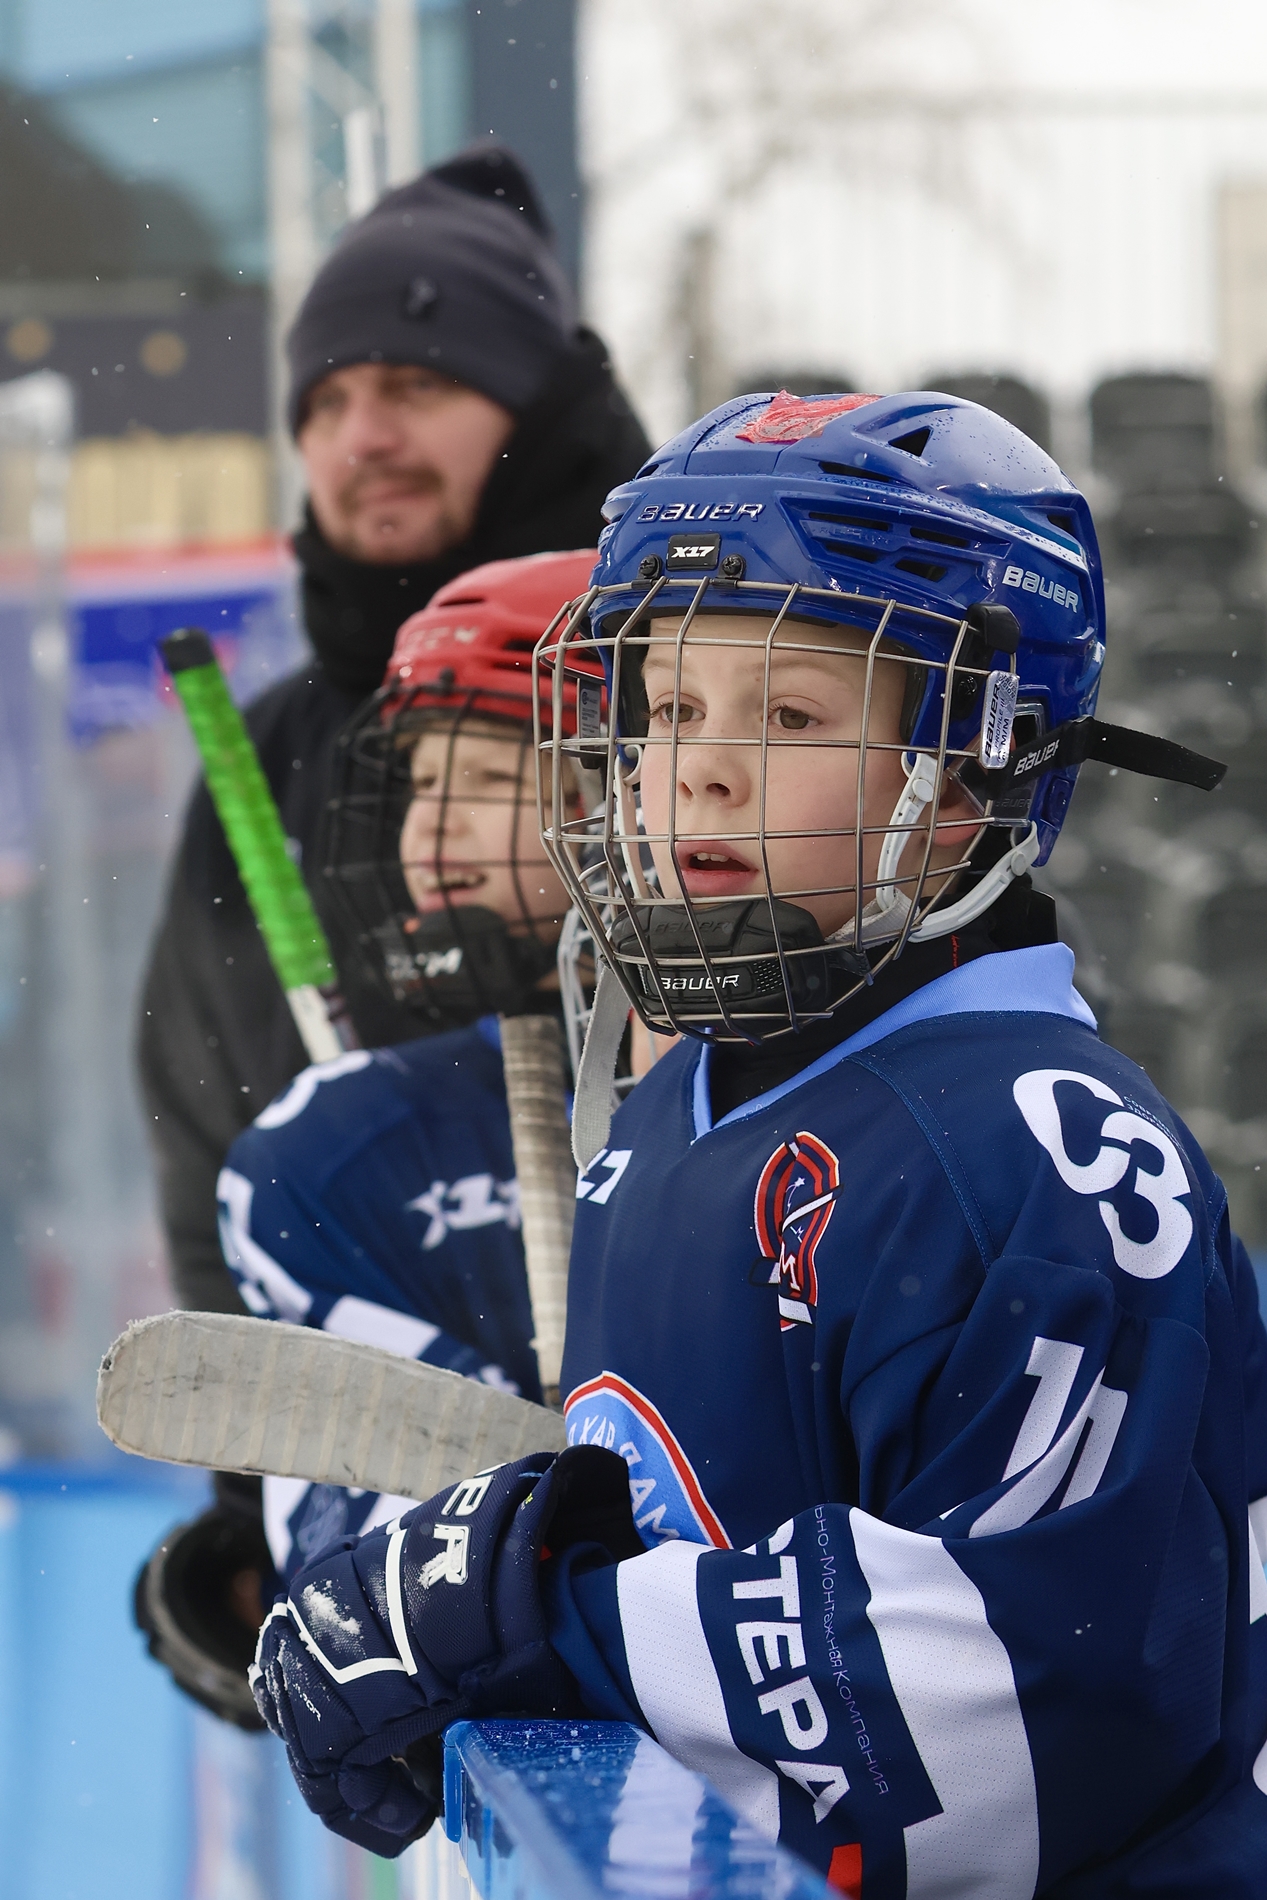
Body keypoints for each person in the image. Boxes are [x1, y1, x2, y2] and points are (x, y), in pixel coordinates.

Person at [249, 390, 1267, 1894]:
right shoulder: (683, 1106)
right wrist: (493, 1591)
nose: (697, 771)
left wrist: (546, 1616)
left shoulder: (1033, 1158)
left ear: (970, 768)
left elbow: (1023, 1709)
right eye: (667, 709)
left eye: (787, 715)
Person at [137, 142, 649, 1317]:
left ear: (536, 411)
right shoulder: (265, 758)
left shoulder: (696, 692)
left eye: (416, 386)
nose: (361, 436)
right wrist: (280, 1411)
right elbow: (205, 1143)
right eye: (325, 403)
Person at [135, 549, 601, 1727]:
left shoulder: (792, 1110)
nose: (429, 840)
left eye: (486, 778)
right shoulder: (333, 1154)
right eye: (419, 786)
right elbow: (379, 1587)